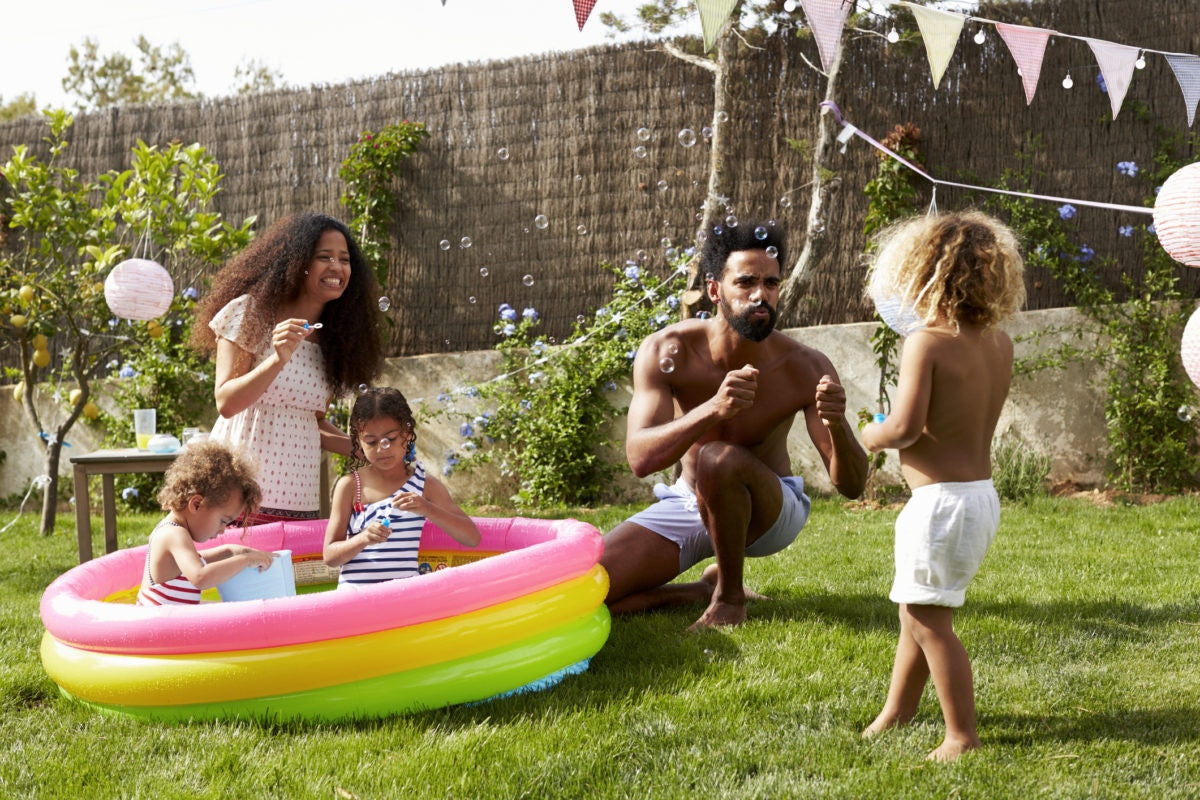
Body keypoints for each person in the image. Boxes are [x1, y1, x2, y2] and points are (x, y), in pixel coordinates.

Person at [601, 221, 869, 631]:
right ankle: (694, 591)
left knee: (718, 458)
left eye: (771, 283)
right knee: (590, 590)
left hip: (768, 512)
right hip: (690, 504)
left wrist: (837, 426)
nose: (761, 295)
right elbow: (640, 458)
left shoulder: (806, 365)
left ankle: (729, 599)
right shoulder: (665, 350)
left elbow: (851, 485)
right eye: (746, 282)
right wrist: (713, 409)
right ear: (715, 290)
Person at [859, 210, 1025, 762]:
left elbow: (904, 428)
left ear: (924, 272)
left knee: (927, 620)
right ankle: (898, 711)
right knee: (919, 608)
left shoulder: (926, 342)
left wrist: (869, 432)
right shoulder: (996, 343)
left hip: (939, 506)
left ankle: (961, 735)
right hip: (978, 497)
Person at [190, 212, 384, 524]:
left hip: (298, 496)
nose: (337, 267)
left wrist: (361, 448)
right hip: (235, 493)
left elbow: (312, 421)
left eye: (344, 259)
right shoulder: (249, 313)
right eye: (324, 257)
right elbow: (226, 402)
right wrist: (277, 358)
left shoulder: (334, 340)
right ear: (298, 262)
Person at [323, 387, 481, 585]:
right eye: (371, 442)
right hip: (356, 600)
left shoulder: (424, 485)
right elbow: (329, 556)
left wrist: (426, 508)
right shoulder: (350, 486)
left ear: (406, 434)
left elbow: (471, 538)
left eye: (390, 439)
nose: (381, 449)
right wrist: (362, 539)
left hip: (405, 600)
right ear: (358, 441)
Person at [137, 440, 273, 606]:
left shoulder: (176, 533)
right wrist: (245, 561)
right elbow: (200, 577)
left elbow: (201, 560)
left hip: (167, 626)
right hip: (156, 629)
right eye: (223, 521)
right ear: (196, 504)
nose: (223, 530)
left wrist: (234, 551)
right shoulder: (173, 534)